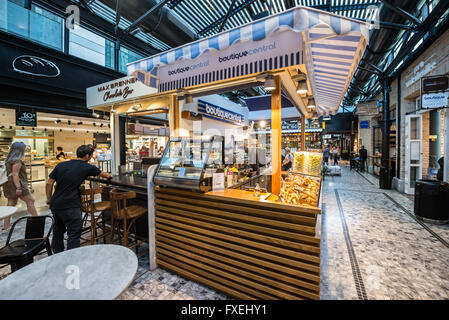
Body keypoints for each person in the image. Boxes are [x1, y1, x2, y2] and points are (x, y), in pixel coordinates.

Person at [46, 145, 112, 253]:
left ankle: (57, 256)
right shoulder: (86, 167)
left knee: (58, 231)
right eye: (90, 156)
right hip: (70, 204)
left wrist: (49, 198)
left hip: (55, 203)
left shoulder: (61, 165)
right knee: (74, 234)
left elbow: (49, 183)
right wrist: (109, 175)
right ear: (87, 156)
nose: (91, 158)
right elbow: (106, 176)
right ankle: (72, 259)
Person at [1, 142, 38, 230]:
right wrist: (18, 187)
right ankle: (37, 221)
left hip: (8, 184)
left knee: (11, 202)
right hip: (17, 184)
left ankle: (6, 226)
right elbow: (15, 174)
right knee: (30, 200)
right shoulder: (17, 161)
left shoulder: (8, 160)